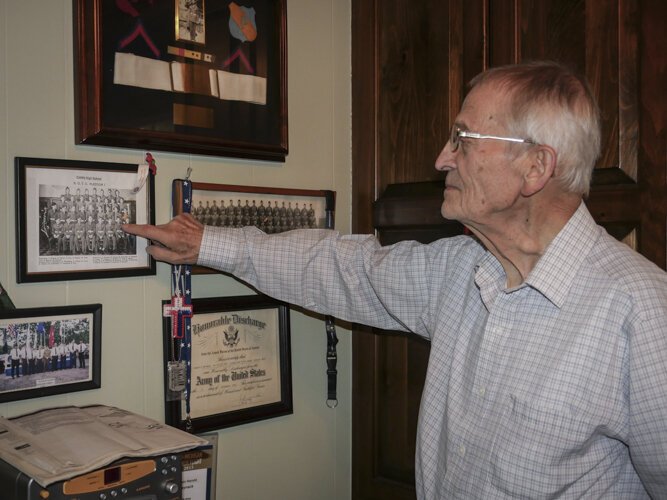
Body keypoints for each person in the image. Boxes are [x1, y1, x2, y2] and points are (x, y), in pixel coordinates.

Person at [123, 61, 667, 498]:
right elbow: (341, 268)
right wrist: (207, 245)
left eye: (462, 138)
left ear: (535, 168)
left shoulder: (642, 312)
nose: (441, 158)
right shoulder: (460, 270)